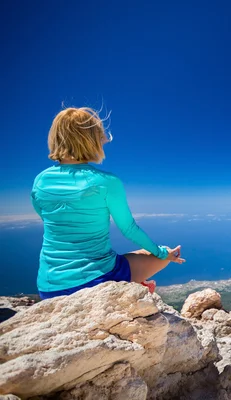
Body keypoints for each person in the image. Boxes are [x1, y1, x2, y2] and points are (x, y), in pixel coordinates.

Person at [31, 106, 185, 300]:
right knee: (157, 255)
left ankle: (135, 285)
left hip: (48, 288)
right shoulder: (106, 182)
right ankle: (135, 287)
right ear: (92, 140)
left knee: (132, 257)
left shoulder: (40, 181)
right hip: (96, 281)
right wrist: (163, 253)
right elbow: (129, 229)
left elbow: (45, 216)